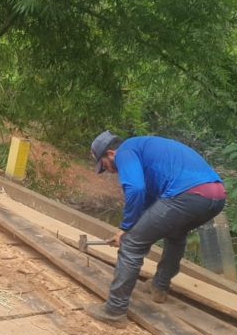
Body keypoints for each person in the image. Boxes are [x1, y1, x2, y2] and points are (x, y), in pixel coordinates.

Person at [85, 132, 227, 324]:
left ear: (110, 153)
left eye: (104, 166)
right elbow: (150, 201)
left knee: (132, 245)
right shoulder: (146, 153)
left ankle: (114, 310)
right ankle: (159, 287)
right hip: (216, 197)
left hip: (188, 193)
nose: (108, 171)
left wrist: (127, 229)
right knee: (176, 234)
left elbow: (135, 189)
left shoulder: (126, 151)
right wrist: (131, 227)